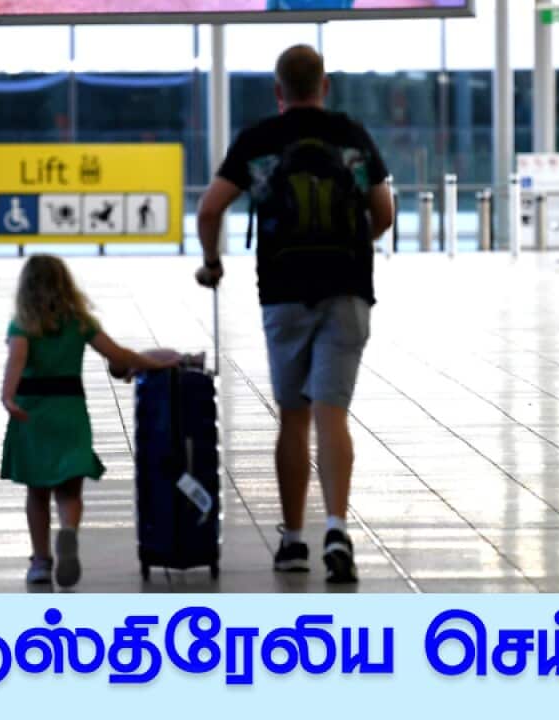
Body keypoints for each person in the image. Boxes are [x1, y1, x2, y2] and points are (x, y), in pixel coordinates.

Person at [195, 45, 395, 584]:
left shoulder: (260, 138)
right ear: (324, 85)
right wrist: (353, 245)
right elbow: (384, 213)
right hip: (349, 288)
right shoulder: (351, 134)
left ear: (278, 91)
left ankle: (292, 541)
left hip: (283, 290)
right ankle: (336, 527)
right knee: (333, 411)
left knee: (295, 415)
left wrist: (213, 263)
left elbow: (210, 208)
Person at [1, 255, 177, 588]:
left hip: (33, 413)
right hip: (70, 412)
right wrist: (155, 364)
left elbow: (17, 358)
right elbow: (118, 356)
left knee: (37, 493)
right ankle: (68, 532)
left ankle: (41, 561)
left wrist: (8, 396)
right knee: (69, 491)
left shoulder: (22, 325)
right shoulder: (79, 322)